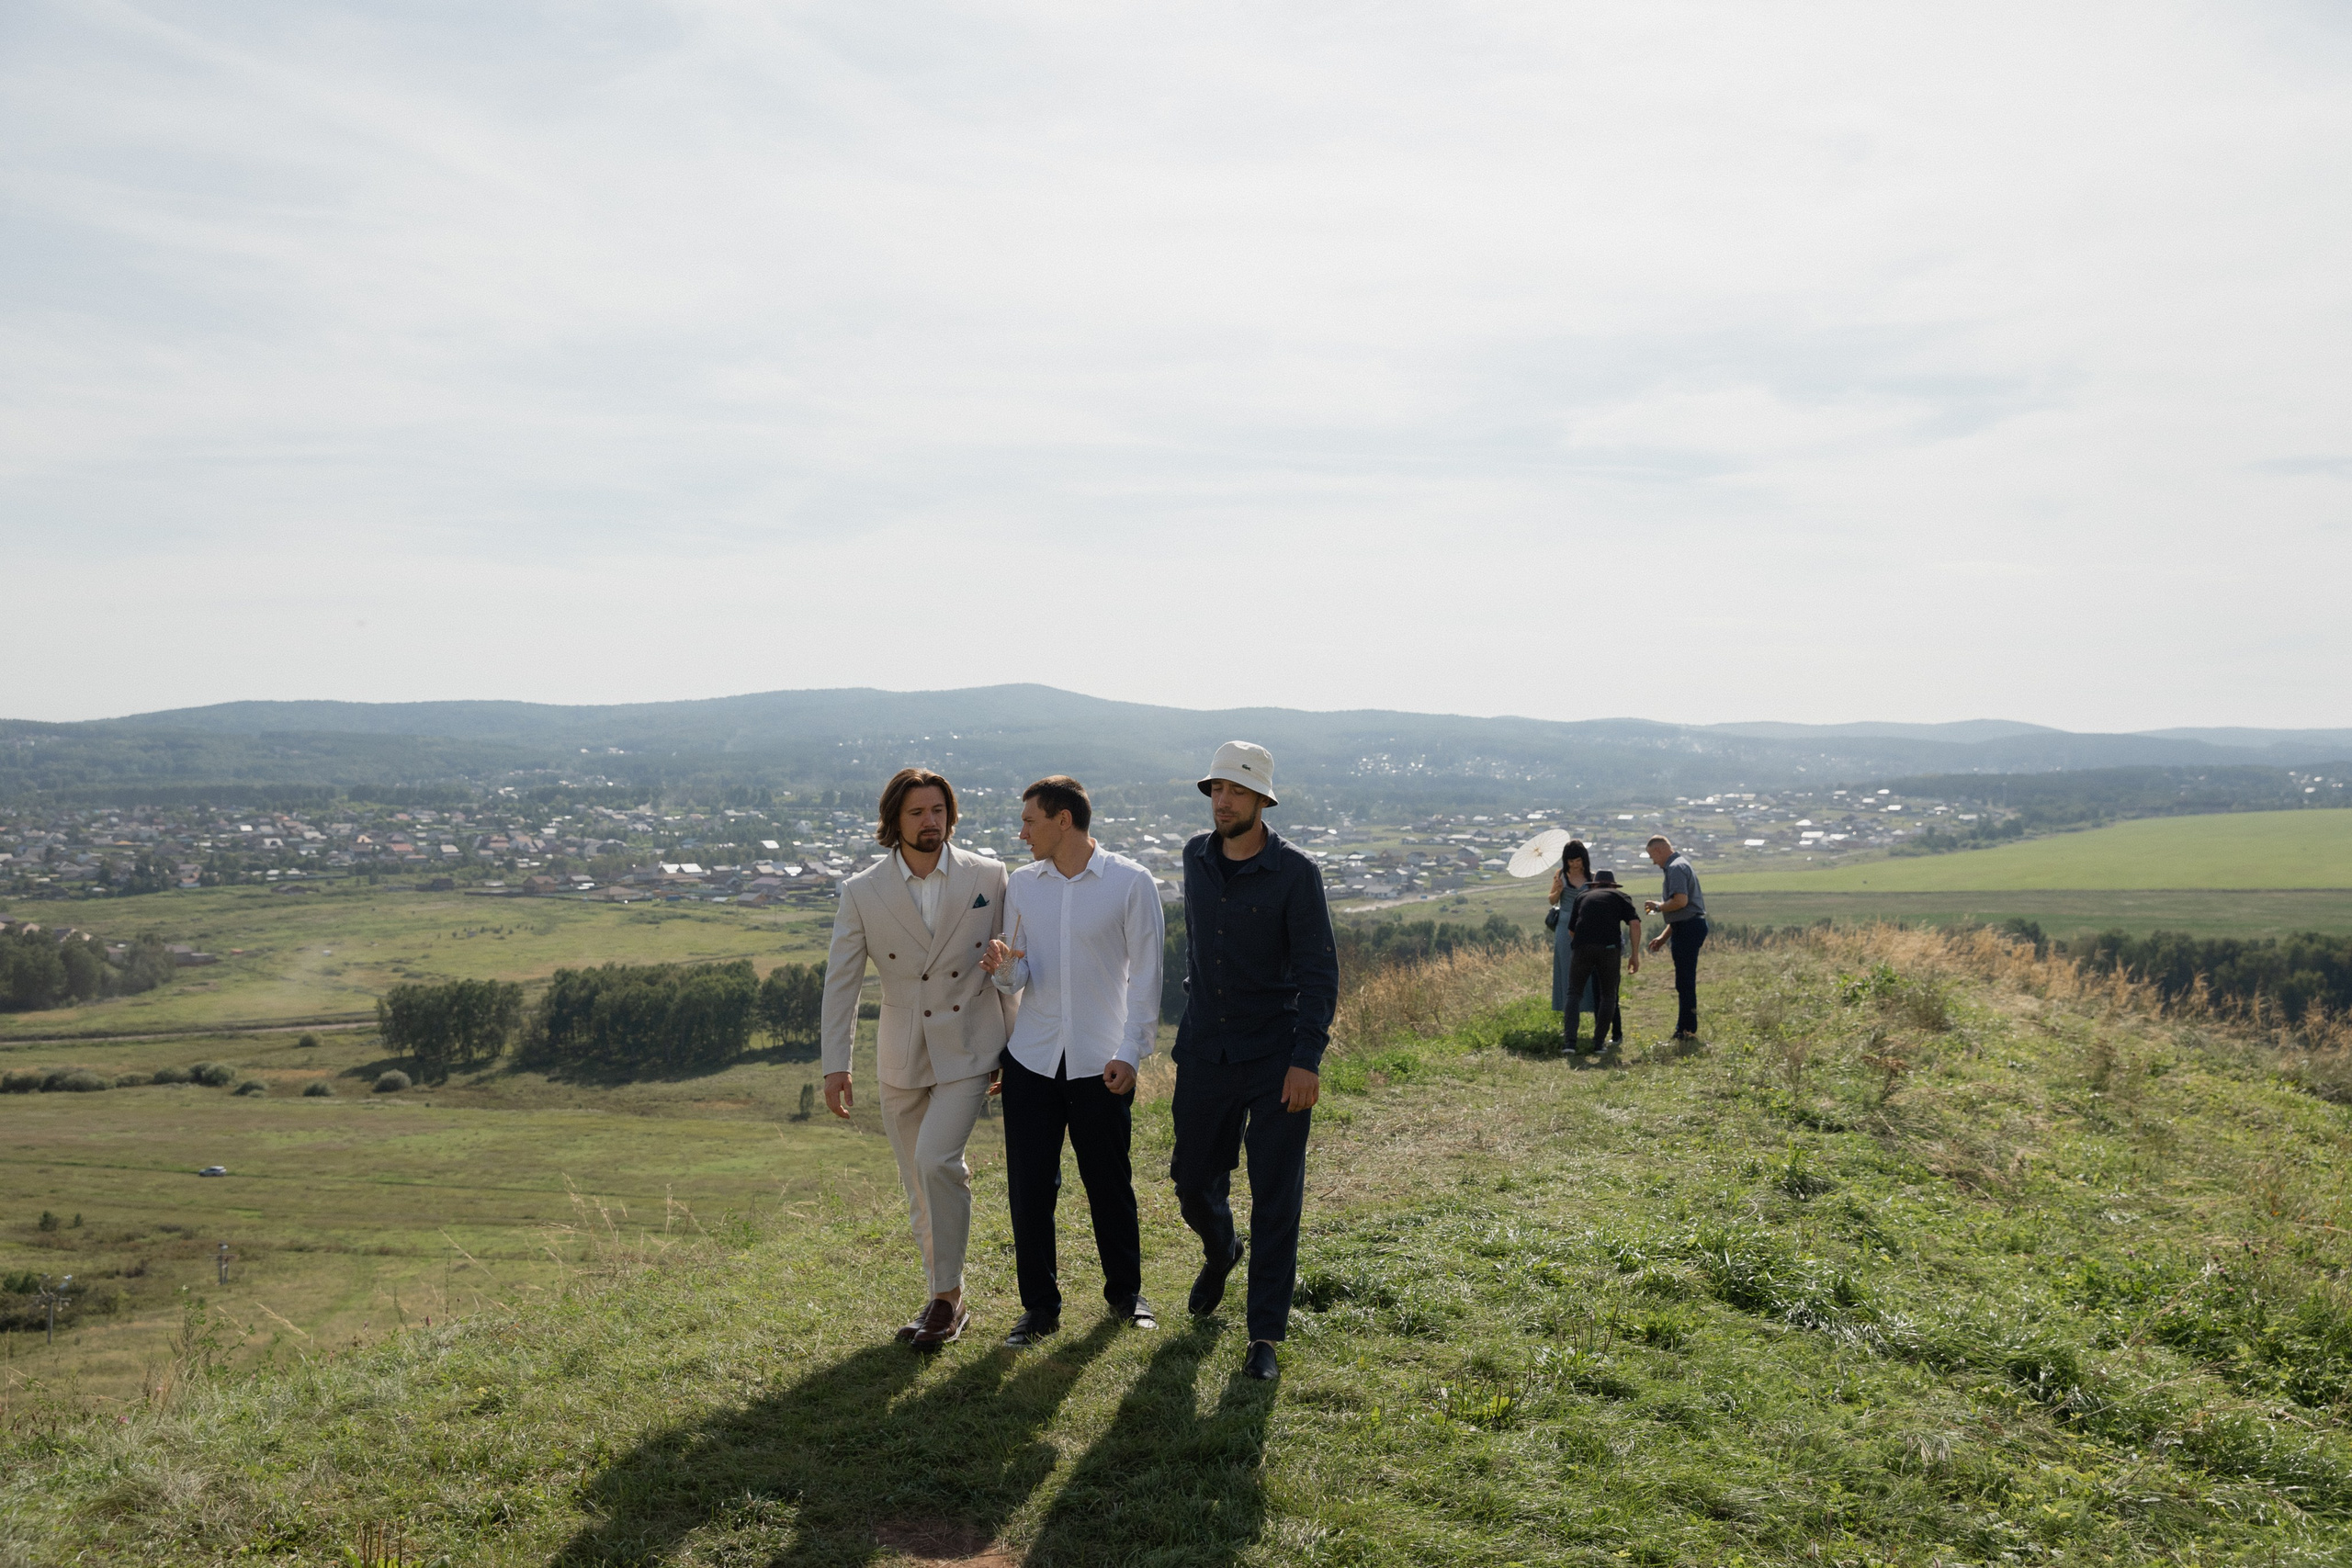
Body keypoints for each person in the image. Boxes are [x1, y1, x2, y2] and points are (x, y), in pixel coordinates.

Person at [820, 767, 1015, 1350]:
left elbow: (1009, 969)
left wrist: (1012, 1045)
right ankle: (942, 1298)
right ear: (894, 821)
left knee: (936, 1160)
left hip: (971, 1045)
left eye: (938, 810)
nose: (930, 822)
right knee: (917, 1181)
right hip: (901, 1052)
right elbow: (842, 982)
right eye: (917, 813)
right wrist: (837, 1064)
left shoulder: (989, 874)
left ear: (951, 816)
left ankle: (947, 1298)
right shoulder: (862, 890)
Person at [1169, 741, 1338, 1382]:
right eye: (1216, 789)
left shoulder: (1297, 872)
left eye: (1236, 791)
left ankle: (1264, 1335)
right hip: (1206, 1050)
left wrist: (1307, 1058)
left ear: (1263, 800)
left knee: (1275, 1198)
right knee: (1190, 1179)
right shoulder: (1194, 857)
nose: (1223, 801)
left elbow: (1320, 971)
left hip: (1276, 1058)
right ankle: (1220, 1251)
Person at [981, 775, 1164, 1348]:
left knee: (1109, 1182)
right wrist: (1003, 967)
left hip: (1101, 1062)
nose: (1021, 831)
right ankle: (1039, 1309)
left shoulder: (1132, 883)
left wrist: (1130, 1052)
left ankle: (1125, 1295)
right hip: (1031, 1060)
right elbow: (1022, 974)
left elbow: (1147, 978)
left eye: (1030, 820)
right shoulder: (1023, 887)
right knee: (1029, 1188)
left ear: (1064, 821)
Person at [1548, 840, 1628, 1051]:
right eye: (1570, 861)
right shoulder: (1560, 876)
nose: (1575, 865)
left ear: (1584, 860)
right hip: (1566, 927)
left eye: (1578, 861)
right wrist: (1557, 891)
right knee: (1570, 980)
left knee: (1597, 984)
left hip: (1589, 931)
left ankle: (1599, 1029)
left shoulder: (1594, 877)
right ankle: (1572, 1030)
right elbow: (1551, 900)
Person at [1562, 869, 1640, 1061]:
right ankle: (1599, 1044)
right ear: (1612, 885)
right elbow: (1635, 924)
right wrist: (1634, 955)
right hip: (1609, 948)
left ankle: (1570, 1044)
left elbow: (1571, 930)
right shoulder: (1620, 896)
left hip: (1582, 947)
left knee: (1574, 993)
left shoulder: (1582, 896)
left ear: (1594, 884)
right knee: (1608, 995)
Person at [1643, 834, 1708, 1041]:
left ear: (1659, 850)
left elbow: (1680, 901)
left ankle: (1686, 1029)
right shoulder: (1679, 865)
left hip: (1689, 928)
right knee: (1684, 980)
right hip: (1686, 926)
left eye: (1652, 856)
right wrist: (1663, 938)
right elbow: (1681, 912)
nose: (1653, 861)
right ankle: (1685, 1026)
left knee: (1685, 981)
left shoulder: (1675, 868)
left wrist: (1658, 907)